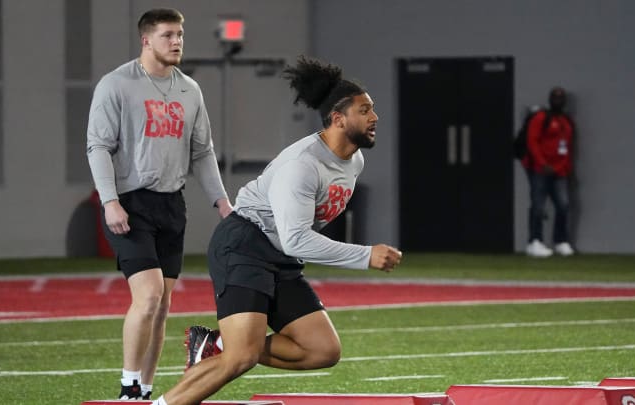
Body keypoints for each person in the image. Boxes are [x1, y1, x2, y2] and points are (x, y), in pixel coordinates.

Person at [148, 56, 403, 405]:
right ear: (338, 119)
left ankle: (217, 345)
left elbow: (292, 240)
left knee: (322, 350)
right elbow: (296, 237)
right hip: (245, 246)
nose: (374, 117)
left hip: (280, 254)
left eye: (372, 109)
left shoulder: (354, 159)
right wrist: (365, 255)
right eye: (365, 110)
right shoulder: (302, 166)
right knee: (241, 359)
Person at [86, 8, 232, 400]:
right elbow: (98, 146)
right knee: (148, 295)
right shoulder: (117, 84)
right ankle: (128, 386)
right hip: (131, 203)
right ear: (146, 40)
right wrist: (110, 201)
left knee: (163, 304)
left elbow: (202, 152)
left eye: (180, 34)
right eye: (168, 35)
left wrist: (221, 201)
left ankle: (145, 389)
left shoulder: (190, 89)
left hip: (171, 204)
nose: (177, 41)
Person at [522, 86, 575, 258]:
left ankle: (560, 241)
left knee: (563, 205)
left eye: (561, 97)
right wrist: (542, 163)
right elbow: (532, 141)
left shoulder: (566, 121)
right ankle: (534, 241)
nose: (558, 100)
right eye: (555, 97)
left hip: (559, 171)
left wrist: (563, 168)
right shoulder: (541, 117)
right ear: (550, 99)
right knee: (538, 206)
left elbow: (567, 147)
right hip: (540, 169)